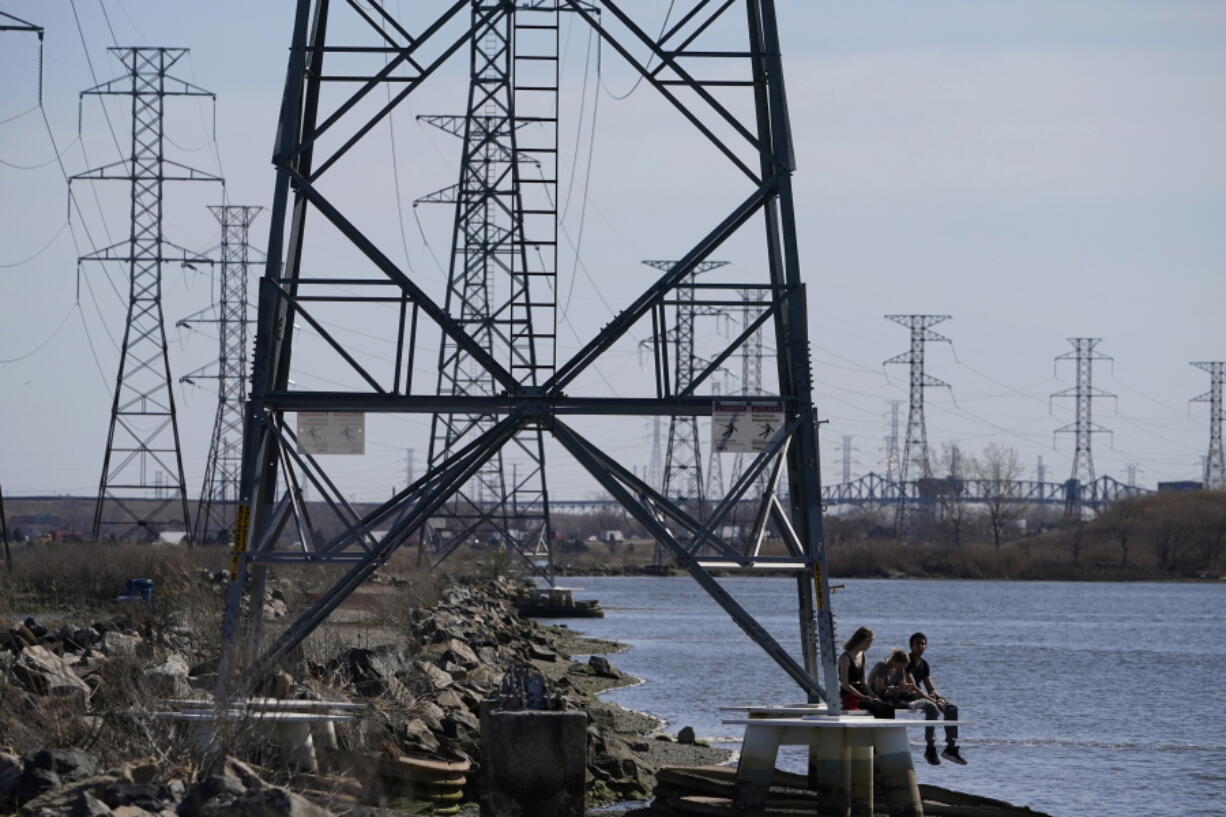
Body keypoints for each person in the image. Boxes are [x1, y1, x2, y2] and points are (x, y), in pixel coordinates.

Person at [907, 632, 965, 765]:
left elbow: (930, 687)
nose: (921, 646)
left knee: (951, 708)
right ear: (911, 646)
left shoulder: (924, 664)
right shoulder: (907, 661)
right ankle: (930, 748)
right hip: (907, 697)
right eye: (917, 644)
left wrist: (941, 698)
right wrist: (934, 701)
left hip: (921, 696)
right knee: (932, 707)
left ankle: (951, 748)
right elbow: (915, 689)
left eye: (923, 643)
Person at [837, 626, 893, 718]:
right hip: (849, 696)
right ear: (863, 641)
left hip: (861, 693)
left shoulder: (862, 655)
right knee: (878, 709)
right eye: (869, 642)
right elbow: (845, 685)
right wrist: (862, 696)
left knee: (888, 706)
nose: (870, 645)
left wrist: (873, 695)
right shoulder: (845, 658)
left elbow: (863, 681)